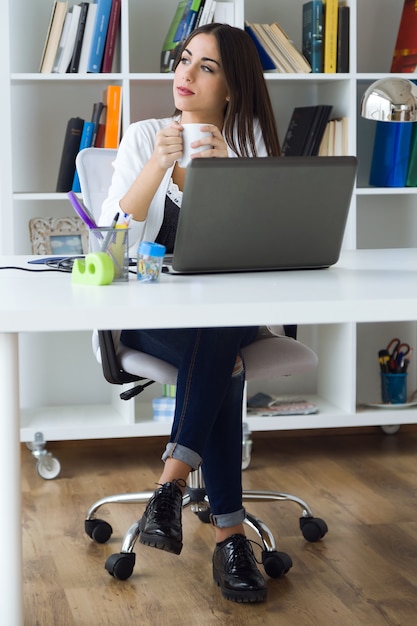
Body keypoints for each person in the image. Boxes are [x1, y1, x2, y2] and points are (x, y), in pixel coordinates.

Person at [100, 22, 281, 604]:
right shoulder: (145, 135)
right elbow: (110, 243)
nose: (186, 74)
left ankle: (169, 489)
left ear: (232, 86)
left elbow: (268, 253)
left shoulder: (250, 146)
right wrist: (156, 165)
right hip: (151, 314)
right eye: (185, 60)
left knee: (223, 319)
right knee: (224, 363)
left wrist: (228, 173)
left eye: (207, 67)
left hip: (229, 312)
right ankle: (229, 536)